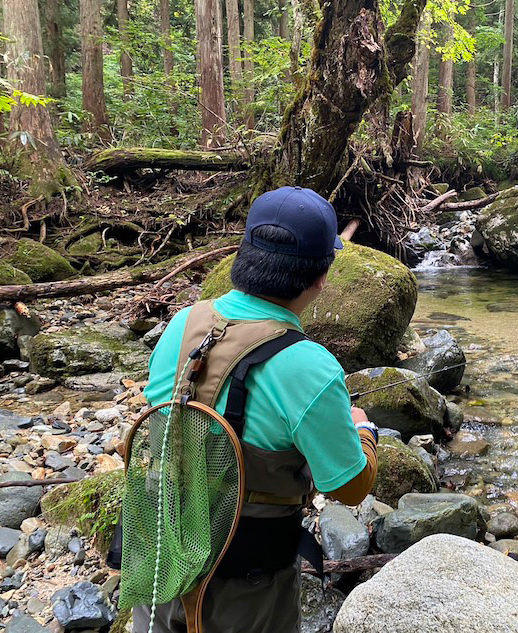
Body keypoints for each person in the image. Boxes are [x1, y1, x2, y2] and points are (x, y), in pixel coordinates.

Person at [133, 186, 379, 633]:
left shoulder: (183, 322)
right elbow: (349, 488)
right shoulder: (310, 366)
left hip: (159, 563)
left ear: (244, 255)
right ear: (321, 277)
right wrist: (364, 433)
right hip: (247, 582)